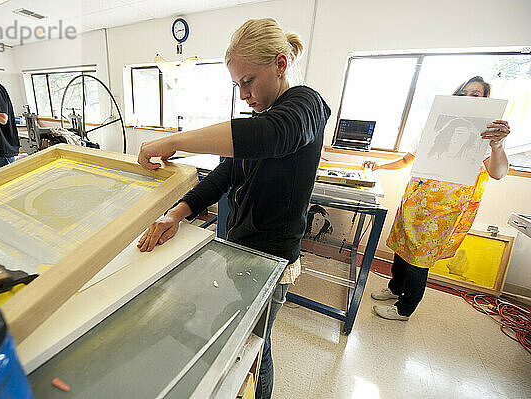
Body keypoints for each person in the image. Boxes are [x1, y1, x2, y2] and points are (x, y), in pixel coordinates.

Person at [136, 18, 331, 399]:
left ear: (280, 64)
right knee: (244, 335)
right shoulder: (263, 115)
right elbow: (227, 172)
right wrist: (177, 213)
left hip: (272, 258)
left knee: (256, 345)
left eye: (248, 81)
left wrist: (174, 141)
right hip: (241, 249)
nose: (243, 94)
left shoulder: (306, 104)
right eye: (236, 84)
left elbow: (270, 138)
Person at [364, 76, 510, 321]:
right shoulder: (434, 128)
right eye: (464, 93)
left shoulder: (486, 138)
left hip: (444, 210)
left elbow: (498, 173)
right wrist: (379, 166)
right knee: (402, 248)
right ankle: (394, 288)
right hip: (415, 201)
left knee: (420, 259)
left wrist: (497, 146)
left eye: (476, 95)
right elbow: (405, 160)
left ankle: (404, 309)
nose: (468, 98)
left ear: (486, 101)